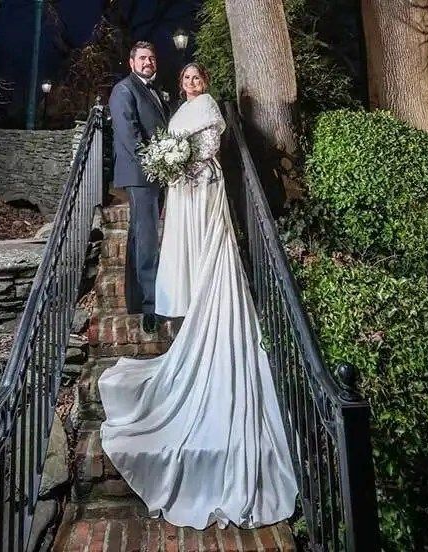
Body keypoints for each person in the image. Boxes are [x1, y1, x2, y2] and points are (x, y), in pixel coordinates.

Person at [98, 63, 298, 530]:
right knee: (179, 247)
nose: (191, 84)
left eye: (196, 79)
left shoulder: (207, 107)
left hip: (203, 188)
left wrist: (179, 163)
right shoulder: (178, 108)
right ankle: (186, 293)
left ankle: (211, 295)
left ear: (204, 83)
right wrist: (171, 163)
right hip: (184, 189)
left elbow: (208, 150)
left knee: (209, 247)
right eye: (186, 79)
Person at [108, 41, 171, 334]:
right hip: (140, 174)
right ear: (131, 62)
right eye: (143, 58)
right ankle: (150, 306)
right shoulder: (124, 90)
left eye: (152, 58)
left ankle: (136, 299)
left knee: (139, 236)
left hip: (157, 173)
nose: (148, 62)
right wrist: (154, 164)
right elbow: (129, 134)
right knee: (147, 238)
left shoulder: (155, 91)